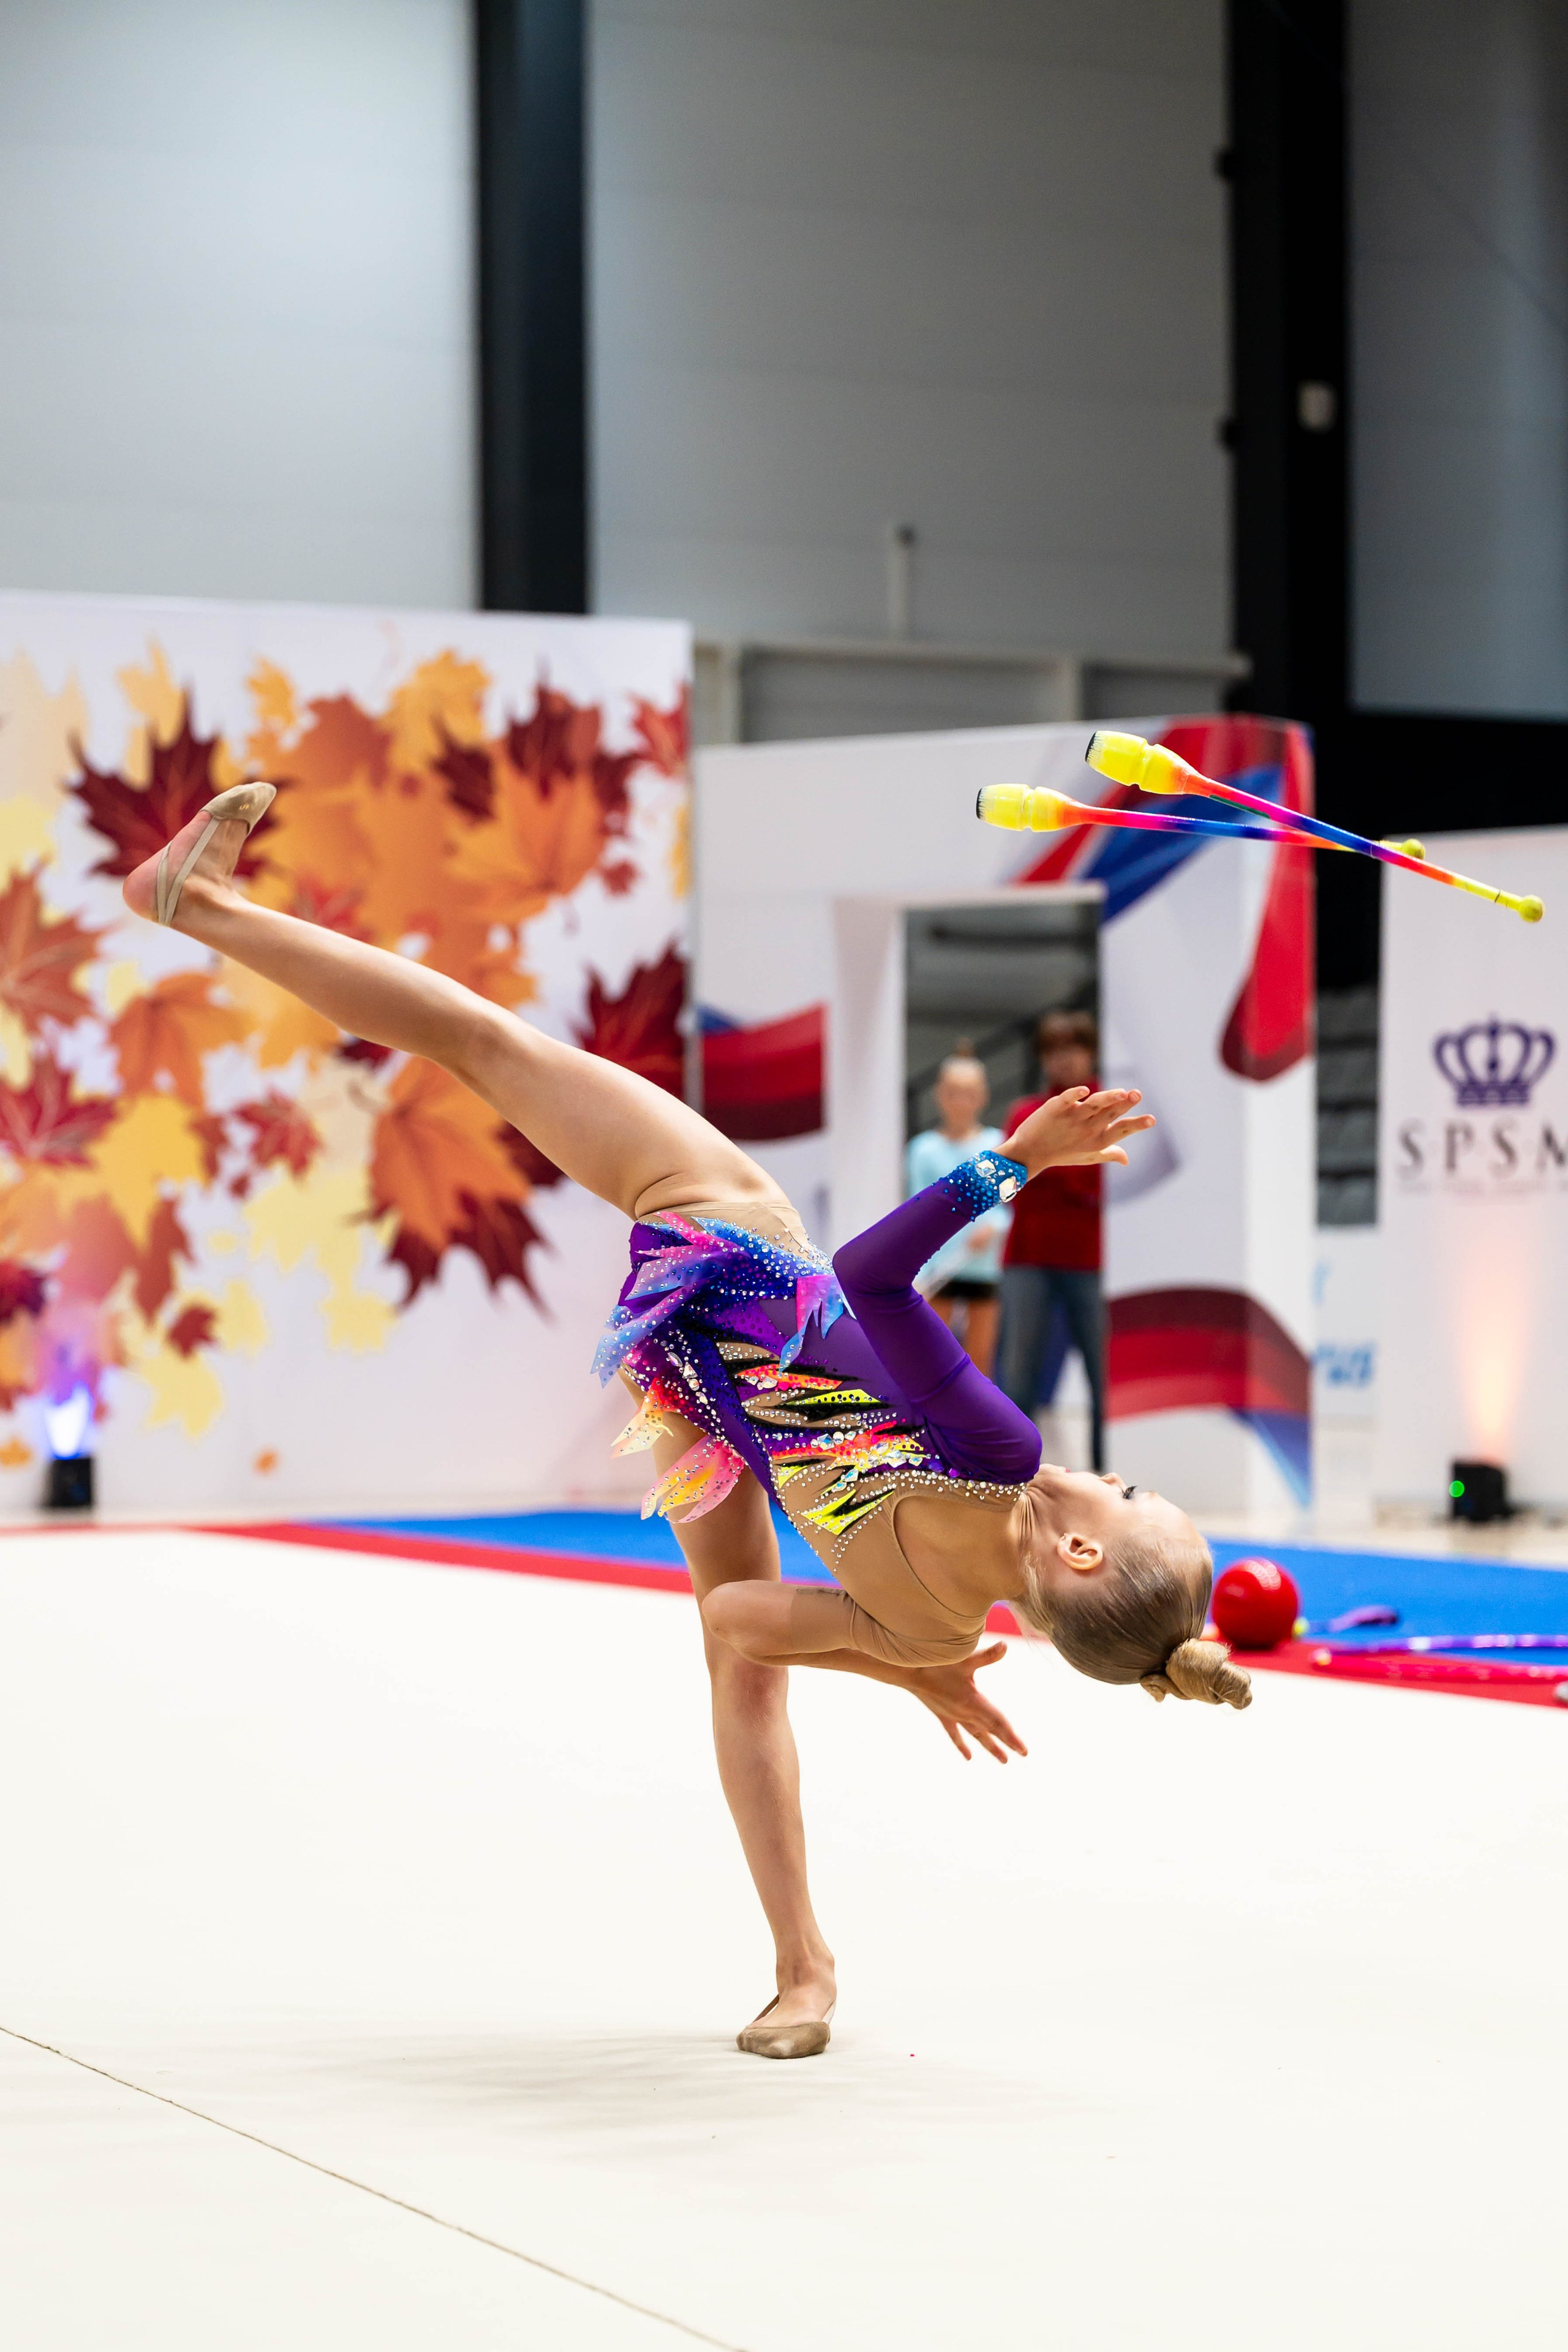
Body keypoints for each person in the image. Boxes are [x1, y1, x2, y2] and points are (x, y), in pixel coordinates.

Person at [126, 786, 1251, 2067]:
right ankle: (800, 1973)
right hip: (689, 1393)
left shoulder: (999, 1461)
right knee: (741, 1674)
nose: (1113, 1476)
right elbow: (732, 1621)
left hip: (722, 1249)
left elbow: (876, 1278)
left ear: (1083, 1557)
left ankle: (197, 902)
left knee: (483, 1043)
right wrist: (898, 1662)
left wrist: (1012, 1159)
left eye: (1132, 1494)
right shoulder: (932, 1621)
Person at [997, 1011, 1107, 1471]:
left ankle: (1109, 1472)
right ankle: (1010, 1470)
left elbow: (1100, 1184)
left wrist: (1043, 1164)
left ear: (1090, 1052)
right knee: (1018, 1369)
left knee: (1106, 1373)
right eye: (1054, 1050)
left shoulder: (1110, 1108)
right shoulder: (1025, 1113)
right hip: (1029, 1257)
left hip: (1094, 1261)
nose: (1064, 1059)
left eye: (1073, 1048)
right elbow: (1007, 1185)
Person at [904, 1050, 1010, 1376]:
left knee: (980, 1359)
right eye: (953, 1093)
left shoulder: (997, 1143)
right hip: (938, 1270)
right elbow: (915, 1211)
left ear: (982, 1097)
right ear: (940, 1096)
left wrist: (994, 1226)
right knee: (933, 1358)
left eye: (969, 1094)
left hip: (983, 1268)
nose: (961, 1102)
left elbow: (1008, 1207)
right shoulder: (923, 1149)